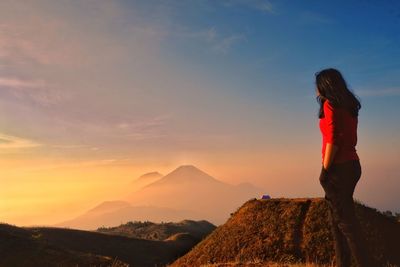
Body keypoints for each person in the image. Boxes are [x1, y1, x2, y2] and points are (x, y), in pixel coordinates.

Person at [315, 68, 372, 267]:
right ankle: (342, 263)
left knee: (346, 224)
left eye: (317, 85)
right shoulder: (349, 105)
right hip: (353, 165)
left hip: (338, 168)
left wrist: (325, 169)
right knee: (337, 221)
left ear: (325, 85)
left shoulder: (331, 104)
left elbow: (332, 138)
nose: (315, 89)